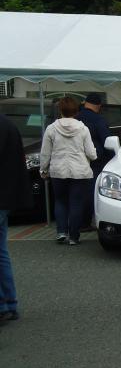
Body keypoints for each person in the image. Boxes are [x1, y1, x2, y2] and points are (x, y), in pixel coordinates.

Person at [40, 97, 97, 246]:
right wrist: (93, 155)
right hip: (79, 171)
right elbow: (91, 154)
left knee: (60, 201)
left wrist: (43, 169)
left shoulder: (51, 128)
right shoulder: (83, 129)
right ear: (76, 111)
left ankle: (61, 232)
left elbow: (45, 153)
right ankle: (74, 237)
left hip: (58, 171)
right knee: (76, 203)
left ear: (60, 110)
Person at [0, 113, 33, 322]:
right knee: (1, 252)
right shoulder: (8, 124)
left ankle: (4, 304)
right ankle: (9, 302)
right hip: (7, 197)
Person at [75, 92, 110, 228]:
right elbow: (106, 141)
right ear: (99, 106)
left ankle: (75, 223)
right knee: (90, 192)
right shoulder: (98, 120)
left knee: (76, 193)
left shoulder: (75, 118)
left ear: (85, 103)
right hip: (95, 162)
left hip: (75, 161)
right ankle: (86, 222)